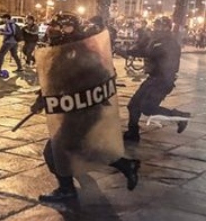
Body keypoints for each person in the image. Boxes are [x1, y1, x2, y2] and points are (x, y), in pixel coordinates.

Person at [29, 14, 140, 202]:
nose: (52, 30)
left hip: (83, 110)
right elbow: (53, 82)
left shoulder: (76, 50)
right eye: (52, 27)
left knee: (55, 150)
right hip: (77, 108)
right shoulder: (66, 49)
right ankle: (125, 165)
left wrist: (42, 101)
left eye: (58, 27)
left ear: (69, 28)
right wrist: (42, 99)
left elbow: (61, 80)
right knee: (80, 147)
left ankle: (67, 190)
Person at [118, 17, 190, 143]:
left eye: (160, 26)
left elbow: (148, 52)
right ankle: (132, 133)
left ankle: (180, 117)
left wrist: (126, 52)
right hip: (154, 78)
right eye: (156, 26)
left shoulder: (168, 42)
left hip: (162, 80)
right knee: (133, 105)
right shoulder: (158, 40)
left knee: (148, 107)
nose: (157, 29)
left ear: (167, 27)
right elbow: (144, 48)